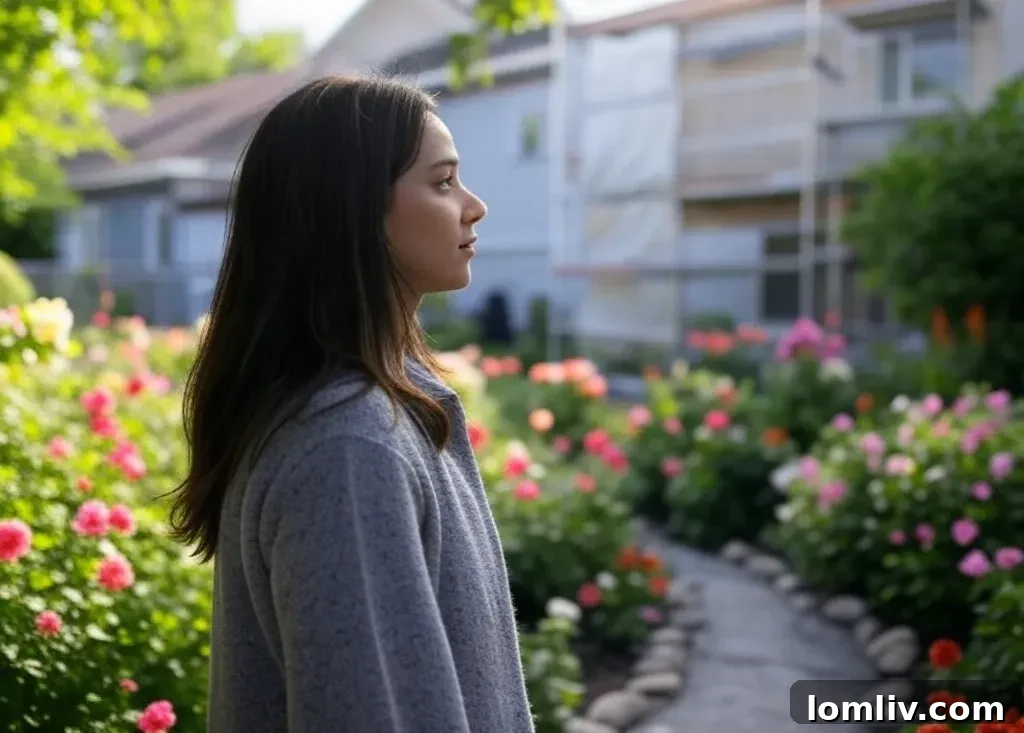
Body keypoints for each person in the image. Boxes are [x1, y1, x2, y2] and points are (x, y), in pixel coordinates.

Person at [165, 74, 535, 733]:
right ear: (355, 209)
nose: (473, 206)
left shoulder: (384, 412)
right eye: (443, 182)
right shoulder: (347, 448)